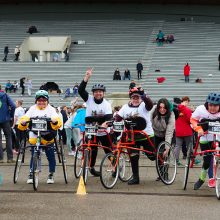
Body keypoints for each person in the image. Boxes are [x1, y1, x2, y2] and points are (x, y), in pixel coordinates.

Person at [18, 90, 62, 184]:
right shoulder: (32, 109)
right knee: (34, 153)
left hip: (47, 136)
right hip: (35, 135)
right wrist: (23, 122)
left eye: (44, 100)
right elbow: (26, 117)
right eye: (39, 100)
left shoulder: (51, 109)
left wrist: (55, 121)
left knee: (50, 155)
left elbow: (56, 119)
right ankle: (31, 173)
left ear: (47, 101)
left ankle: (51, 173)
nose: (41, 102)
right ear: (36, 101)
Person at [115, 87, 154, 184]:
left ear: (140, 98)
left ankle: (163, 164)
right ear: (130, 99)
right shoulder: (125, 107)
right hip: (132, 136)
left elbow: (150, 104)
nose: (135, 99)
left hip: (146, 134)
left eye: (137, 97)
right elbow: (118, 118)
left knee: (152, 156)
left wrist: (143, 95)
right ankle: (136, 177)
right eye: (133, 98)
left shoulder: (144, 105)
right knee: (133, 156)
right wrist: (111, 121)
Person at [78, 68, 113, 176]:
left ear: (103, 93)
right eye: (96, 92)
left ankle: (115, 166)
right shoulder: (89, 99)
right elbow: (80, 90)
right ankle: (91, 168)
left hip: (103, 131)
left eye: (100, 92)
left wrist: (105, 123)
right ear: (93, 93)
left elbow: (109, 119)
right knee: (93, 150)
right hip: (91, 131)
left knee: (108, 149)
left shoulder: (106, 104)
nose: (98, 93)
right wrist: (86, 77)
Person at [191, 92, 220, 190]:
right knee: (207, 161)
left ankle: (213, 178)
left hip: (218, 137)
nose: (212, 108)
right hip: (205, 137)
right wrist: (198, 129)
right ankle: (201, 179)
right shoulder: (200, 109)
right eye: (210, 105)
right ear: (207, 103)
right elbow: (193, 120)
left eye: (215, 106)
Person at [151, 98, 175, 180]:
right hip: (155, 134)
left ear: (167, 108)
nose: (162, 109)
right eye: (160, 107)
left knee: (164, 155)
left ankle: (165, 174)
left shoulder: (171, 115)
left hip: (166, 135)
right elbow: (148, 121)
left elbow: (169, 133)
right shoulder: (153, 111)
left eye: (164, 108)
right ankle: (160, 174)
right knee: (157, 155)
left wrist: (167, 148)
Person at [175, 96, 193, 166]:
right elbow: (190, 120)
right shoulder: (187, 110)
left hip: (178, 130)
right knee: (189, 145)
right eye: (188, 102)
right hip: (187, 131)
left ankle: (176, 161)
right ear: (186, 101)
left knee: (177, 146)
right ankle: (192, 160)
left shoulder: (176, 109)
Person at [0, 85, 16, 163]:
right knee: (8, 138)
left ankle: (0, 159)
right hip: (5, 119)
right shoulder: (5, 95)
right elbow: (13, 106)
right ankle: (10, 158)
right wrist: (10, 115)